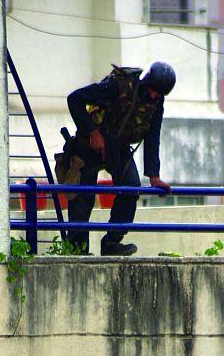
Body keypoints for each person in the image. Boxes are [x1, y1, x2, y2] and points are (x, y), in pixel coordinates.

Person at [60, 62, 175, 256]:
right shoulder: (118, 86)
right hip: (89, 145)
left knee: (131, 188)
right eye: (153, 90)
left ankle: (112, 242)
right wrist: (93, 132)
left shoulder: (157, 102)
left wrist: (154, 176)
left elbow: (153, 135)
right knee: (82, 196)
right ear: (146, 82)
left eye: (160, 93)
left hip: (118, 147)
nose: (154, 96)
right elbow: (74, 99)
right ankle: (77, 253)